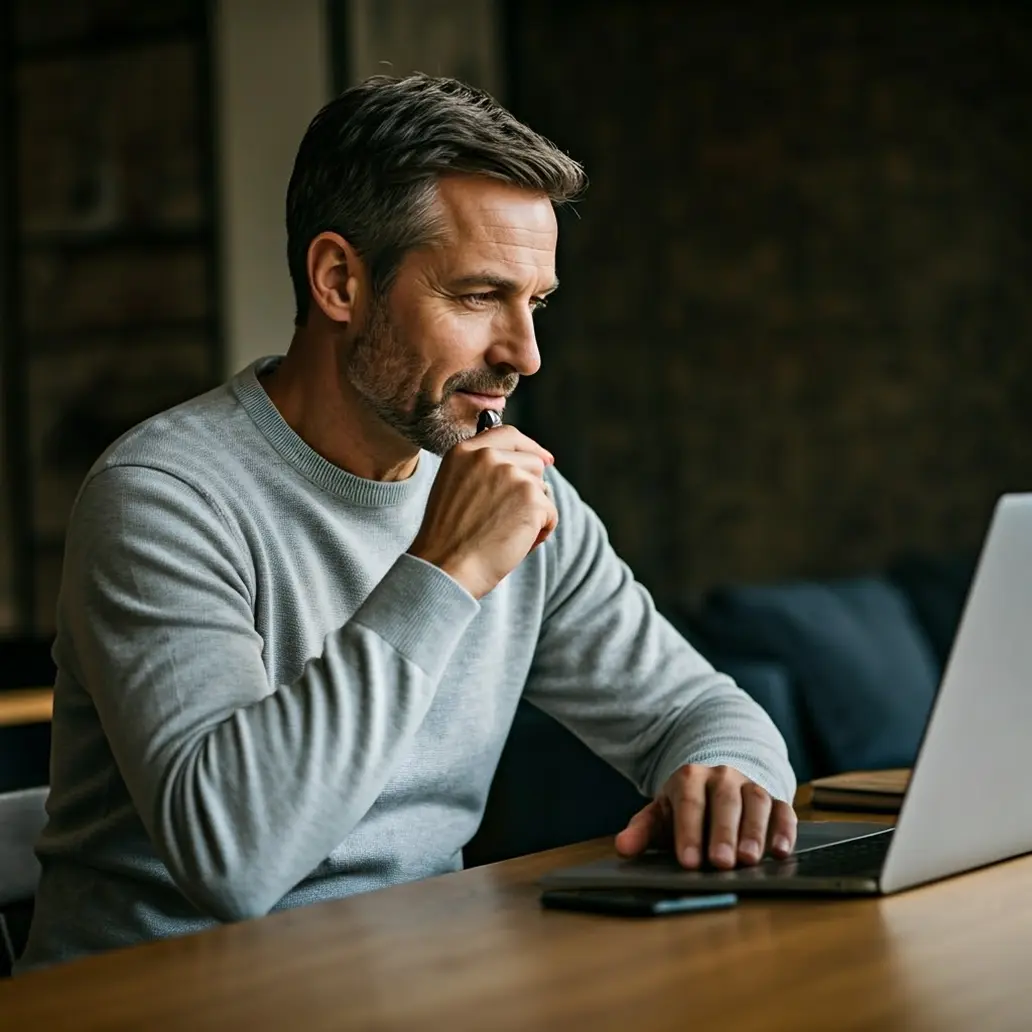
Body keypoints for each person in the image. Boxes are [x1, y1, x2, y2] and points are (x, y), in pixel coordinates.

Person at [19, 74, 796, 969]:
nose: (525, 355)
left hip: (413, 986)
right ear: (341, 280)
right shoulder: (163, 497)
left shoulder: (521, 493)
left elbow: (696, 708)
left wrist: (729, 784)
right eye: (476, 297)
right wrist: (444, 570)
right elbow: (232, 858)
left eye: (534, 302)